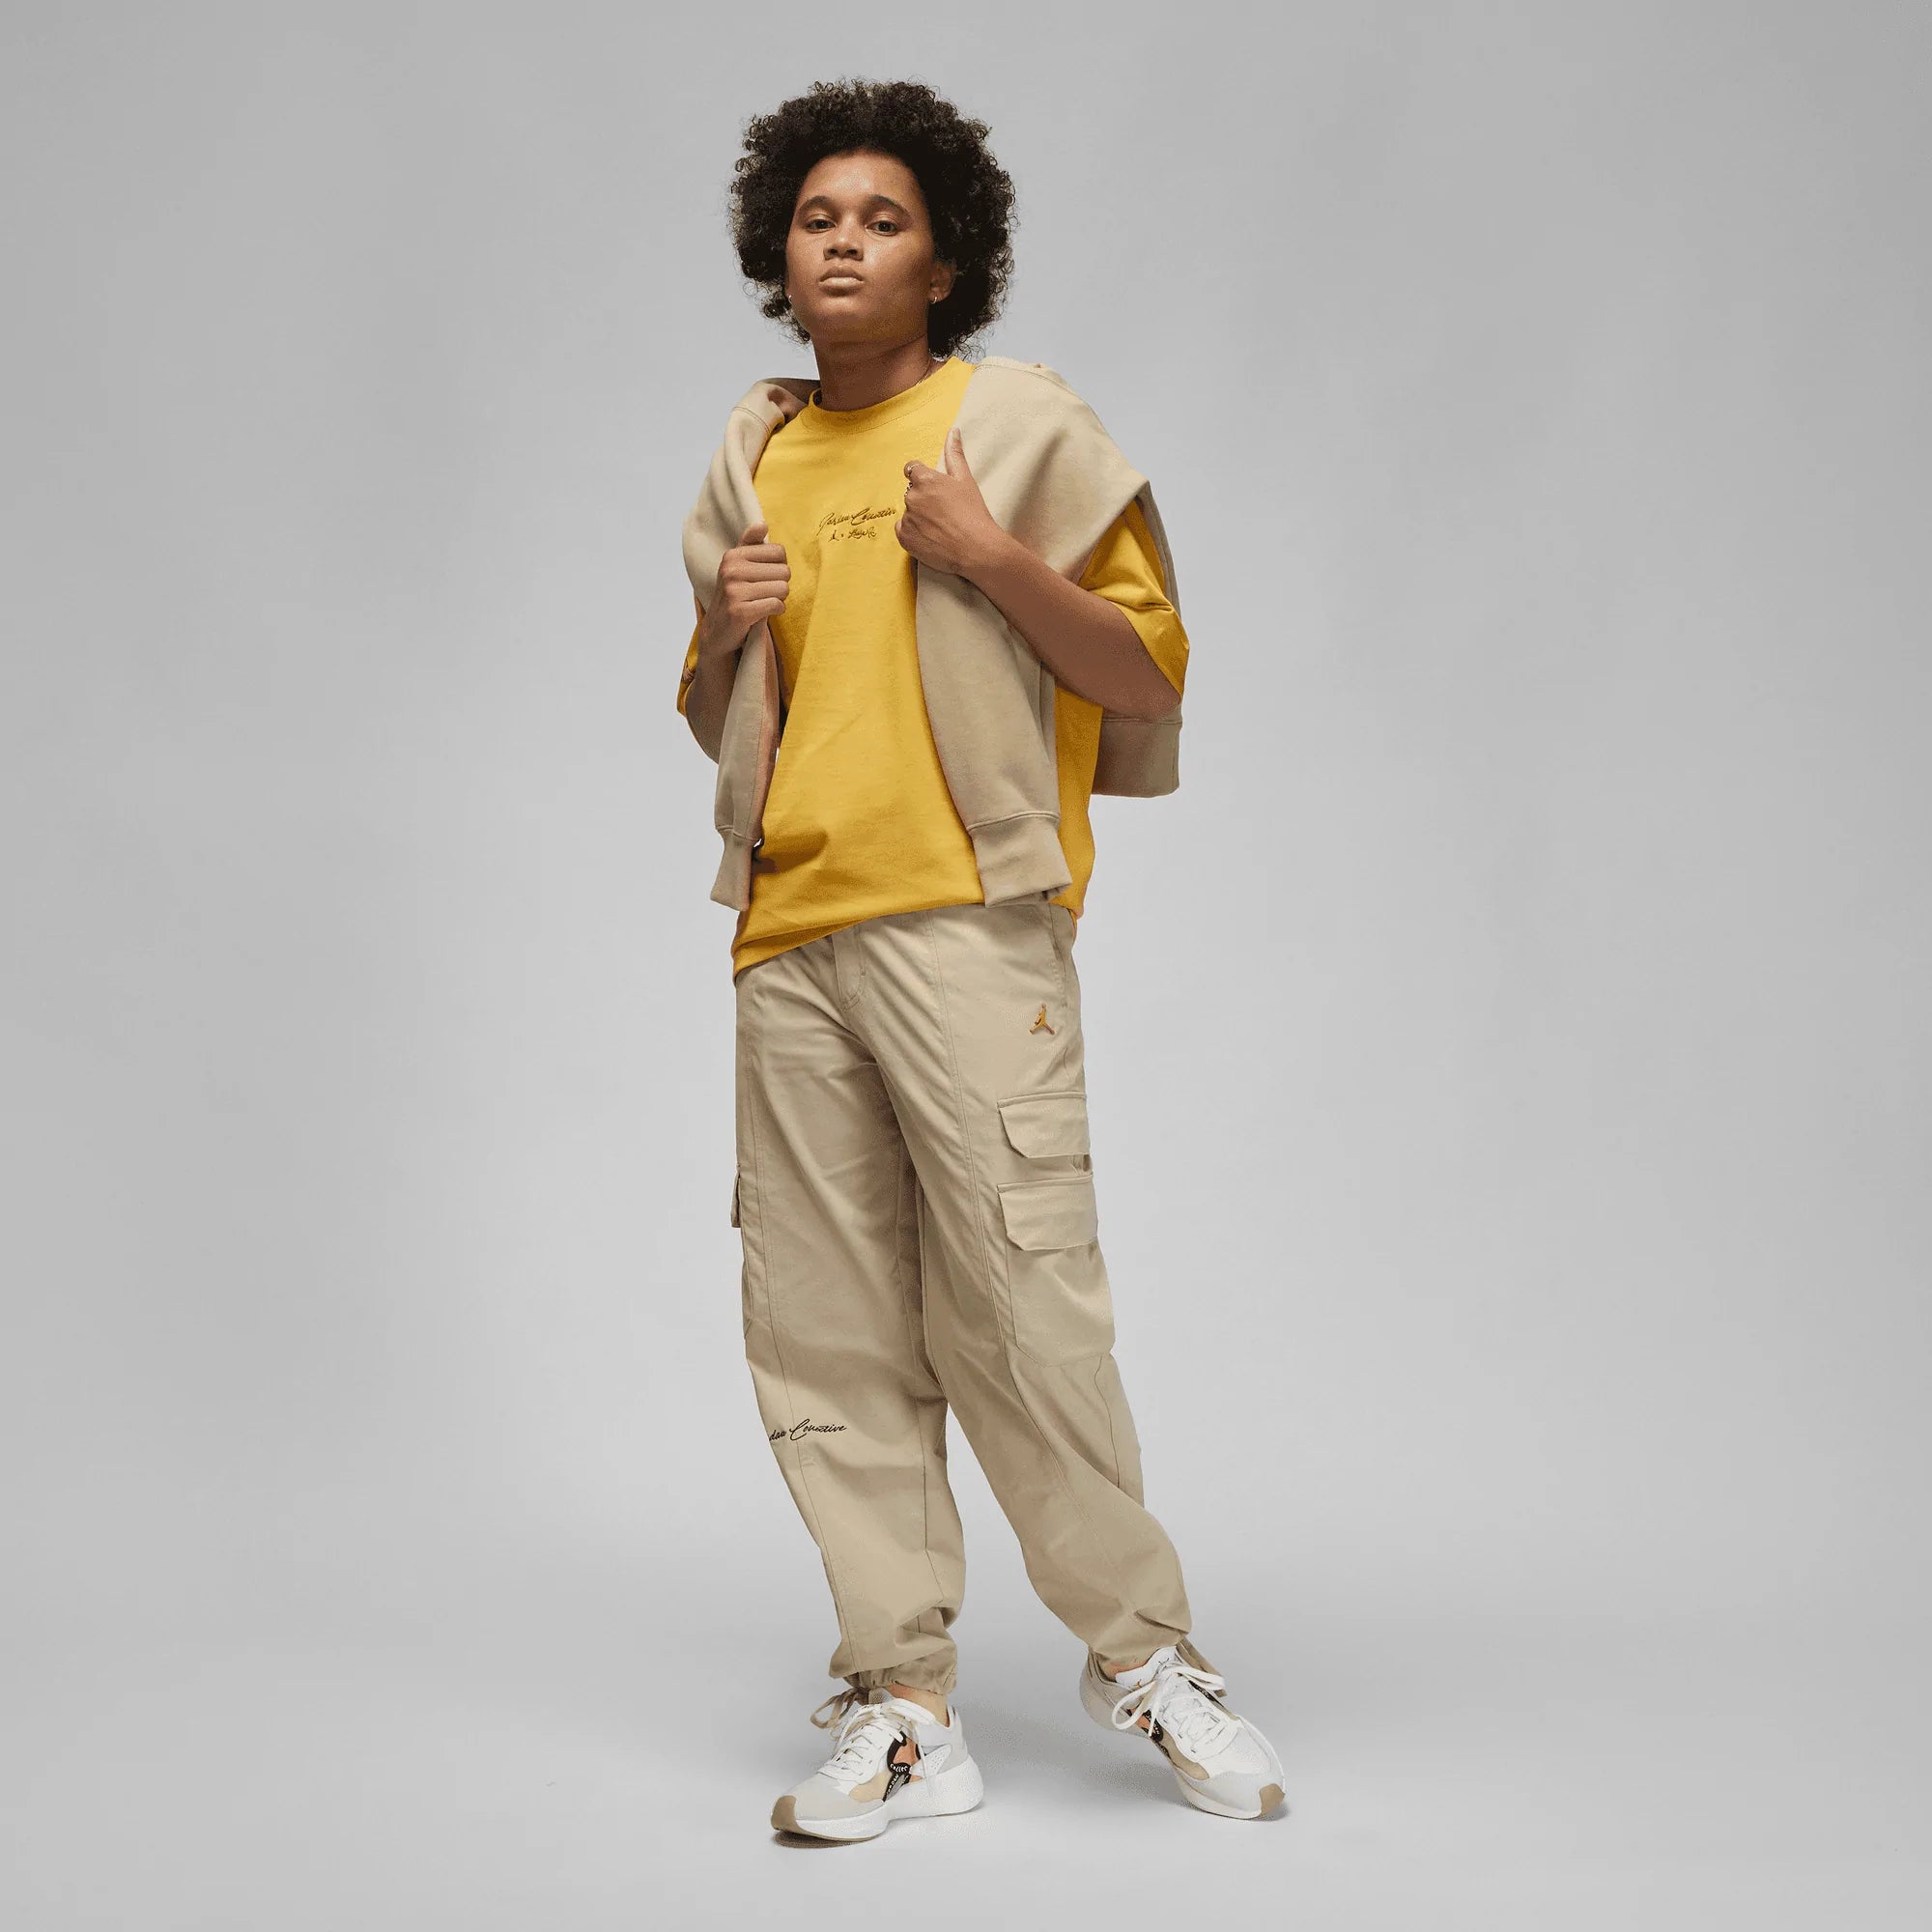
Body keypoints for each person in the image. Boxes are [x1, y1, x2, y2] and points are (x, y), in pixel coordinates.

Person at [675, 77, 1286, 1841]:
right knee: (827, 1333)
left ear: (944, 261)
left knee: (1026, 1309)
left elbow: (1145, 675)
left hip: (965, 923)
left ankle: (1145, 1655)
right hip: (790, 937)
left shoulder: (1012, 424)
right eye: (817, 219)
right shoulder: (753, 457)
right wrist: (718, 634)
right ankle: (903, 1703)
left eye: (882, 220)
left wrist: (991, 555)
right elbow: (726, 721)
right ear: (778, 254)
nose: (844, 244)